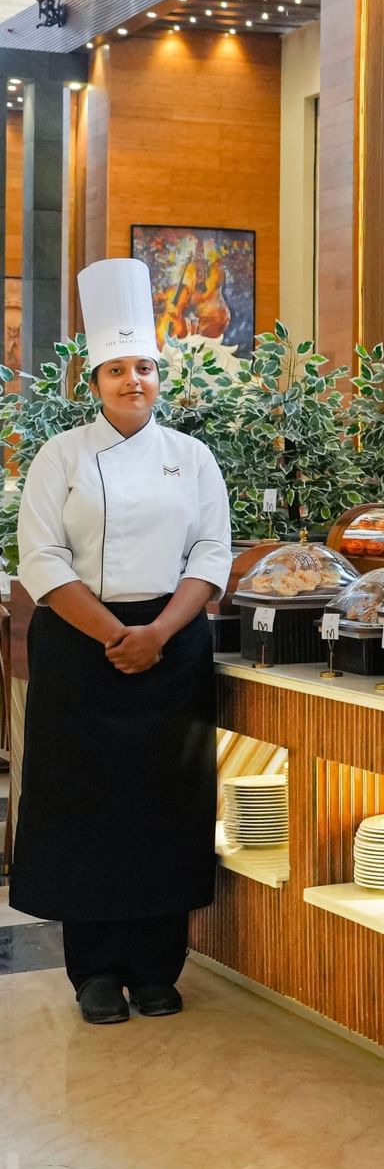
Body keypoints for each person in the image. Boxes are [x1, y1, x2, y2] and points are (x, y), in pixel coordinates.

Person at [9, 258, 233, 1025]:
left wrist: (159, 632)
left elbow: (211, 553)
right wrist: (114, 633)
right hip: (82, 647)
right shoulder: (62, 456)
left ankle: (158, 966)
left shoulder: (192, 456)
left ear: (158, 375)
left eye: (144, 367)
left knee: (167, 804)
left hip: (172, 650)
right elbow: (41, 559)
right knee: (86, 805)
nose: (133, 380)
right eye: (117, 369)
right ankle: (96, 972)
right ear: (94, 379)